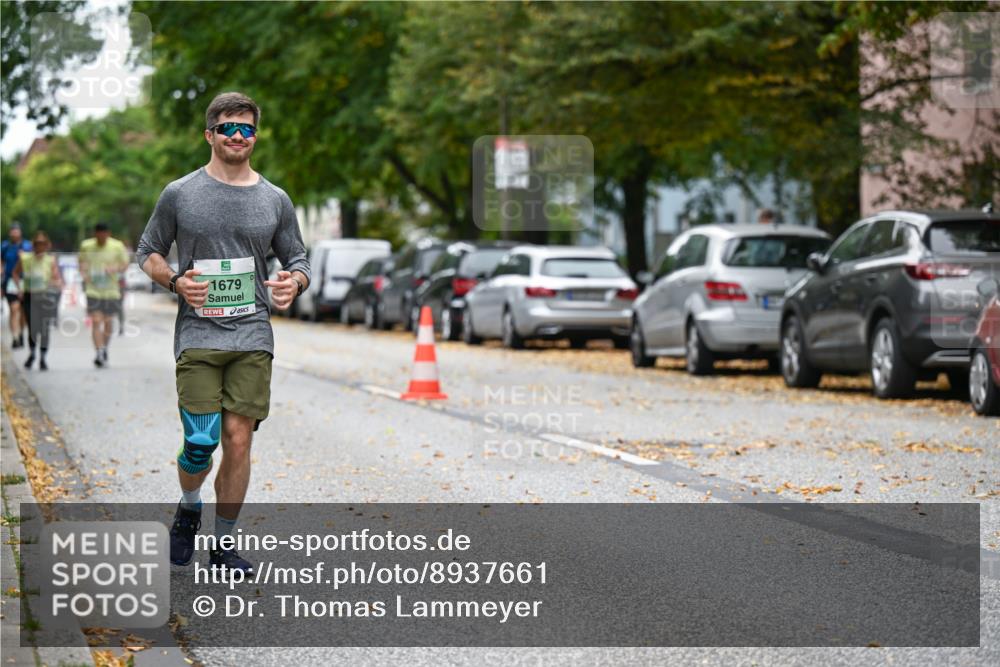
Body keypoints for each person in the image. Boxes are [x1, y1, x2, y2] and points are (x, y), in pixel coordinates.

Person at [136, 92, 310, 574]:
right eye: (229, 128)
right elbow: (148, 250)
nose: (238, 137)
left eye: (247, 129)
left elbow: (298, 259)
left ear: (255, 135)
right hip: (197, 333)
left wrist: (291, 284)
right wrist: (174, 280)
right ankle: (189, 507)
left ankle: (224, 544)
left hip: (252, 334)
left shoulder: (275, 199)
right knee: (201, 442)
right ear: (209, 134)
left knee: (238, 439)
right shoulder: (180, 193)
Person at [79, 223, 129, 367]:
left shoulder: (117, 246)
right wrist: (84, 274)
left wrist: (114, 268)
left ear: (108, 233)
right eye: (98, 234)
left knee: (108, 323)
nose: (101, 237)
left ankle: (104, 347)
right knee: (96, 321)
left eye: (104, 234)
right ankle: (99, 352)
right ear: (95, 234)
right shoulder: (86, 246)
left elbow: (125, 265)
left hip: (111, 291)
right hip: (93, 290)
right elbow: (81, 263)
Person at [12, 231, 63, 370]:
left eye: (42, 245)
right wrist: (19, 288)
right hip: (29, 296)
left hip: (45, 296)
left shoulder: (50, 260)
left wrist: (56, 283)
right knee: (33, 327)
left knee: (44, 328)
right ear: (33, 246)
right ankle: (32, 353)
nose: (40, 247)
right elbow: (15, 273)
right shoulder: (25, 258)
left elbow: (57, 277)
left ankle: (43, 357)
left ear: (46, 246)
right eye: (37, 244)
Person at [2, 223, 32, 348]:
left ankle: (20, 333)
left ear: (20, 232)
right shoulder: (5, 246)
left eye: (16, 231)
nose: (14, 233)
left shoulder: (27, 246)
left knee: (23, 312)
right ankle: (15, 337)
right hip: (10, 281)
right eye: (12, 231)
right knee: (14, 309)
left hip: (24, 281)